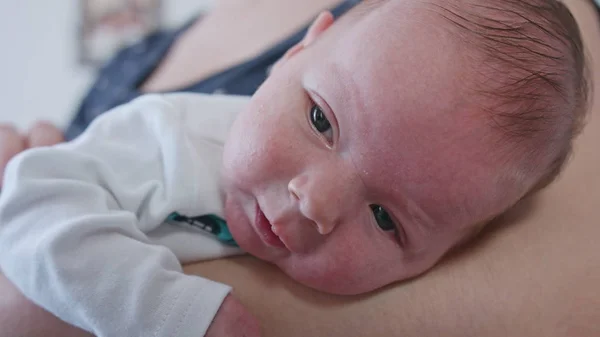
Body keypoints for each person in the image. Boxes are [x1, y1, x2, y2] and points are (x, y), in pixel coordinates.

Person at [0, 0, 593, 337]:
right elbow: (32, 205)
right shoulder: (172, 136)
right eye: (321, 121)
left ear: (449, 253)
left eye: (386, 219)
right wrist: (174, 315)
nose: (315, 201)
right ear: (296, 53)